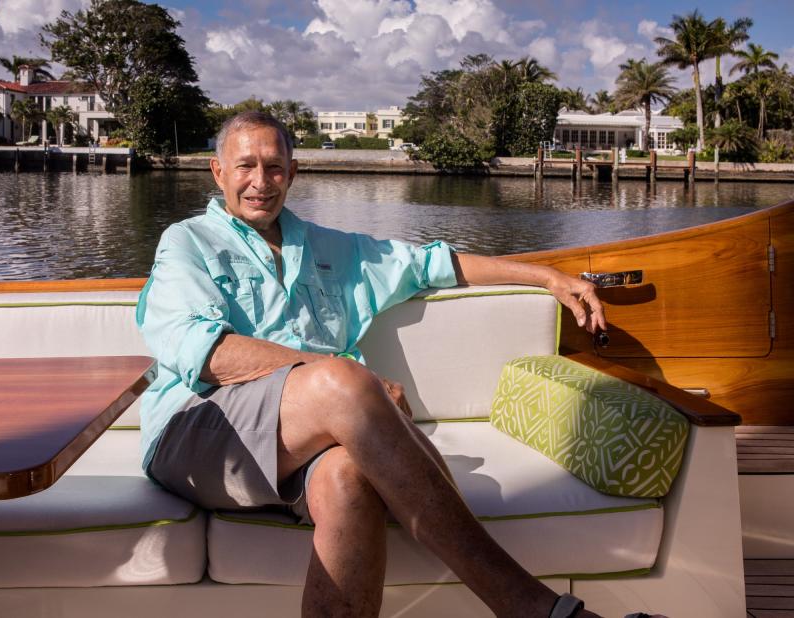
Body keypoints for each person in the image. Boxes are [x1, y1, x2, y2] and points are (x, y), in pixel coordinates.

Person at [136, 112, 617, 618]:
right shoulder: (187, 242)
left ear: (293, 173)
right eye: (245, 166)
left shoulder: (330, 249)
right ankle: (528, 606)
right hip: (198, 435)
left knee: (350, 475)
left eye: (275, 167)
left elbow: (434, 263)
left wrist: (545, 277)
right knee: (341, 378)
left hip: (297, 449)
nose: (260, 182)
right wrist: (344, 381)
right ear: (218, 172)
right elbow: (207, 353)